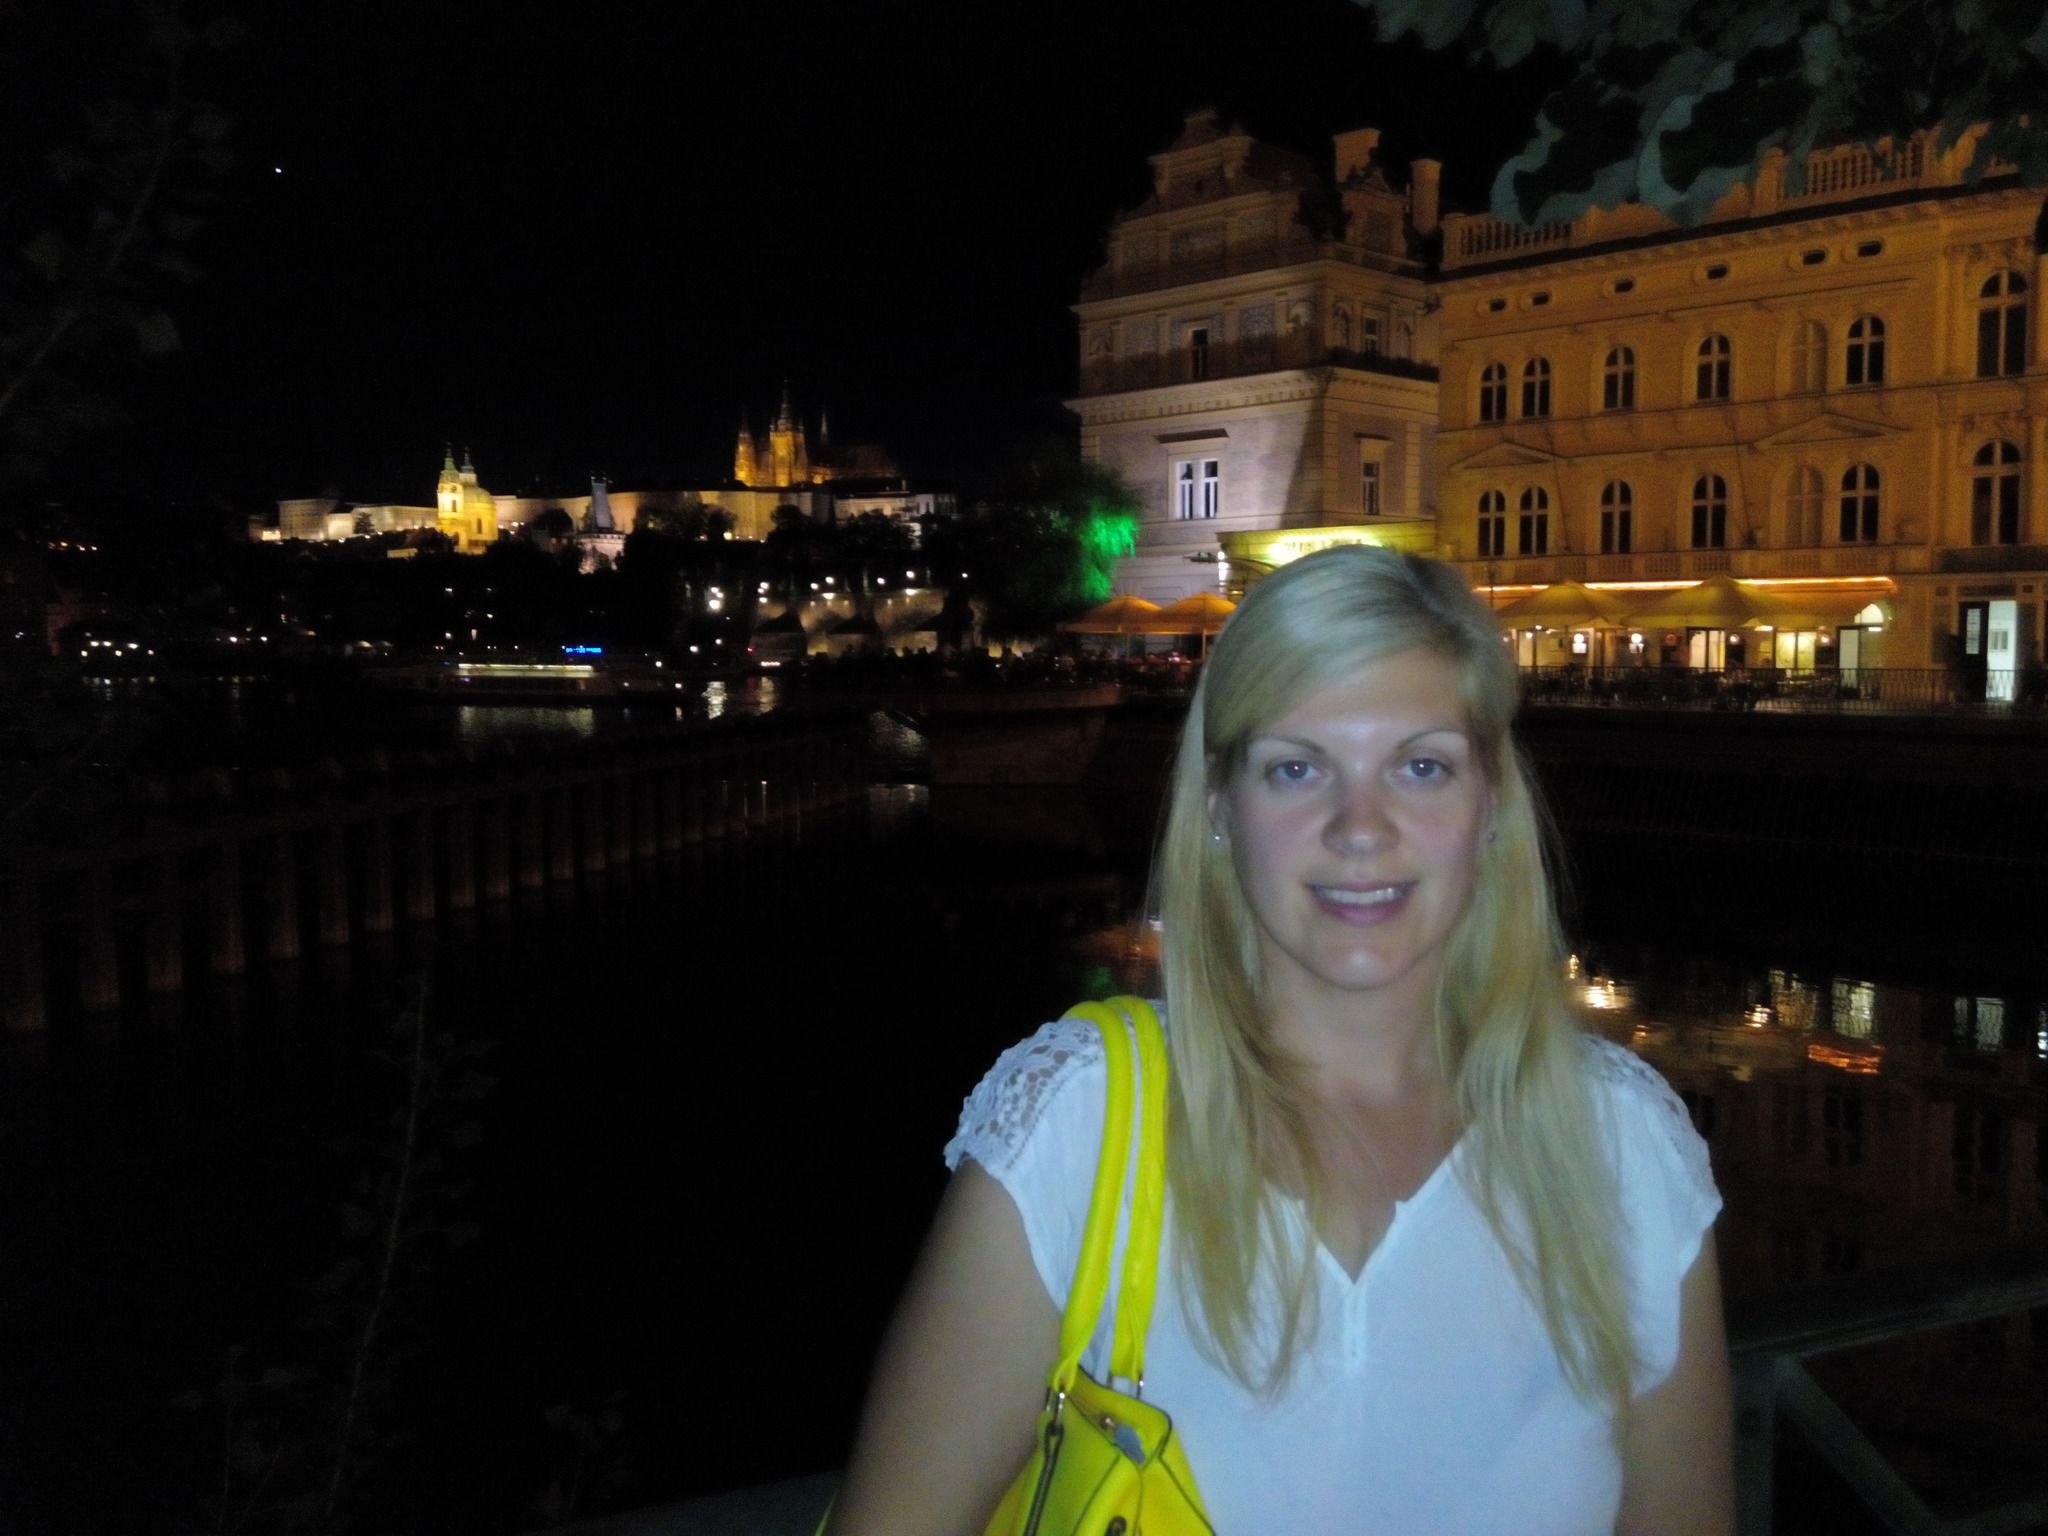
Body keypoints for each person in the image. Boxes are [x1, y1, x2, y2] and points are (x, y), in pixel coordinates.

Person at [827, 547, 1732, 1535]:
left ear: (1489, 806)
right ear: (1220, 808)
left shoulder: (1624, 1146)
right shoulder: (1079, 1127)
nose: (1359, 828)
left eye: (1420, 766)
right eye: (1296, 768)